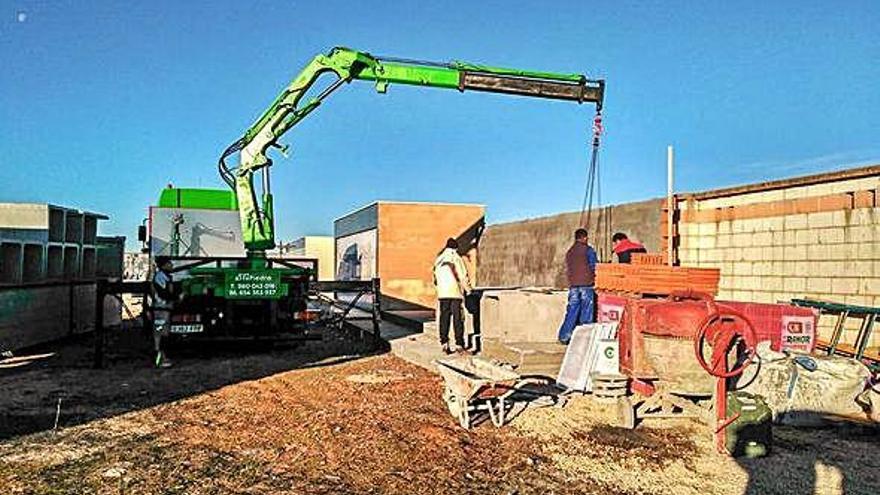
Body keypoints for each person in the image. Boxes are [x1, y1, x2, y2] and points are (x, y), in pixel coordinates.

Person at [558, 228, 598, 345]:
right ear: (585, 238)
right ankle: (583, 340)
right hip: (586, 285)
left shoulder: (570, 252)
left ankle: (564, 337)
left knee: (572, 311)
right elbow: (594, 266)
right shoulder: (588, 250)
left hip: (573, 286)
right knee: (586, 312)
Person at [433, 238, 472, 355]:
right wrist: (468, 290)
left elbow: (435, 278)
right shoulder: (456, 258)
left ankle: (444, 343)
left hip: (442, 294)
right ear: (456, 247)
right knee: (458, 319)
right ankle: (459, 344)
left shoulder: (438, 259)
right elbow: (463, 275)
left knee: (444, 317)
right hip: (455, 293)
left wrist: (440, 290)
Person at [152, 256, 175, 368]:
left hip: (164, 309)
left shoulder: (165, 277)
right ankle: (159, 360)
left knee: (164, 334)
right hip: (160, 309)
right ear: (164, 265)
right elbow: (163, 293)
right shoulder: (160, 277)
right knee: (160, 334)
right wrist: (175, 297)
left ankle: (162, 358)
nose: (172, 265)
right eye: (169, 263)